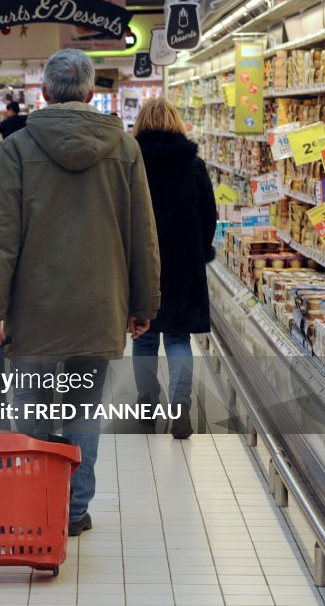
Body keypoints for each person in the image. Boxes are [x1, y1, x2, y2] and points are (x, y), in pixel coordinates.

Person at [0, 49, 160, 536]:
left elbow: (0, 236)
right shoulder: (124, 148)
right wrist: (144, 303)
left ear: (43, 93)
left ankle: (38, 505)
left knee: (32, 409)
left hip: (33, 307)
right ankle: (75, 511)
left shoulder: (17, 147)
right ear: (91, 93)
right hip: (98, 304)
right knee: (82, 410)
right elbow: (141, 230)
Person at [131, 98, 217, 440]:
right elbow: (208, 215)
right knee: (179, 337)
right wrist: (198, 250)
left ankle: (148, 405)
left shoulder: (131, 162)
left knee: (145, 336)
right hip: (184, 263)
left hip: (142, 263)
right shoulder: (192, 164)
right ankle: (180, 408)